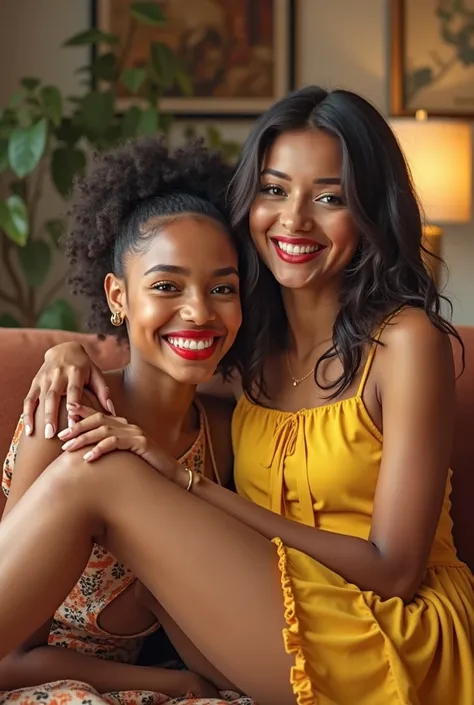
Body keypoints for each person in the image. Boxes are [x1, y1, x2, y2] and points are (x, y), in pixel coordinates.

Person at [1, 86, 473, 705]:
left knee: (95, 472)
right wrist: (68, 353)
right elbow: (161, 352)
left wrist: (190, 485)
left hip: (384, 630)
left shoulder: (406, 343)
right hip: (269, 610)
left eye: (329, 197)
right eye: (274, 190)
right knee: (90, 462)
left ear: (367, 210)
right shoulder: (246, 351)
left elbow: (394, 569)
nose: (294, 219)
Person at [0, 137, 252, 702]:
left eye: (222, 288)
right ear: (118, 296)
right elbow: (11, 658)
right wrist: (174, 683)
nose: (198, 311)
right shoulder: (67, 414)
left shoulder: (224, 432)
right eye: (167, 285)